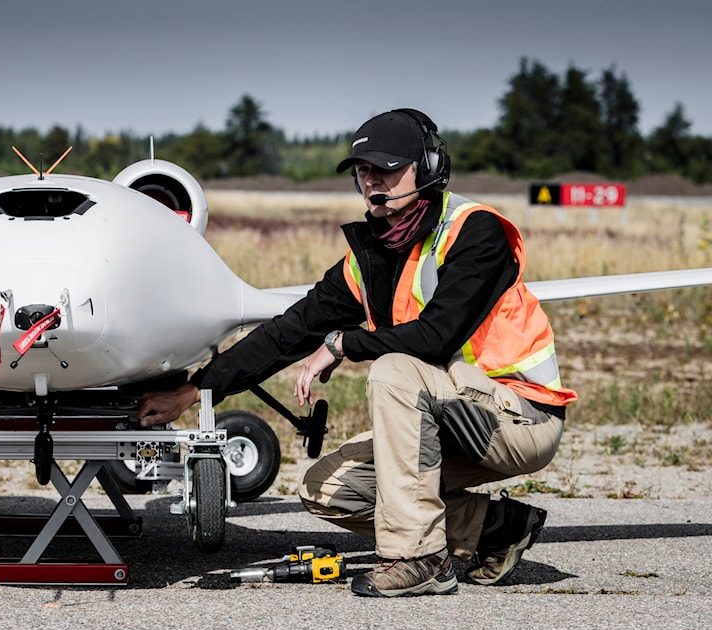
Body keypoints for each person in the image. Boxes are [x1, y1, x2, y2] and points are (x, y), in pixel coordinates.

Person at [137, 108, 576, 597]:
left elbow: (434, 339)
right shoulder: (369, 255)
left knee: (394, 372)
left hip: (516, 418)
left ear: (428, 169)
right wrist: (196, 389)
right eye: (363, 171)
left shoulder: (475, 233)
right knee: (326, 488)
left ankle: (420, 558)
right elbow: (288, 332)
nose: (371, 182)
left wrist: (344, 342)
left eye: (386, 169)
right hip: (442, 419)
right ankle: (493, 527)